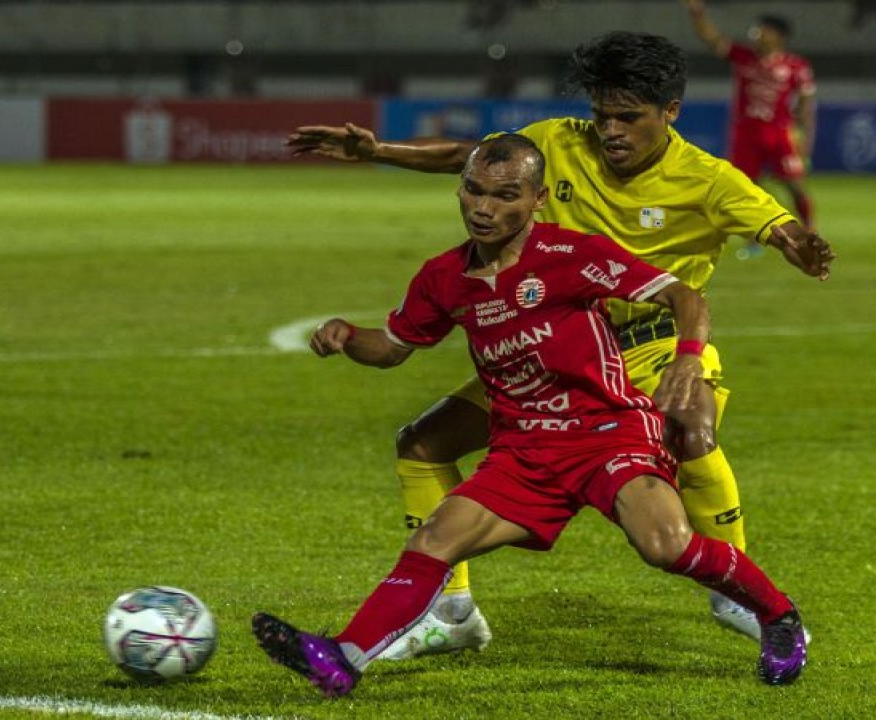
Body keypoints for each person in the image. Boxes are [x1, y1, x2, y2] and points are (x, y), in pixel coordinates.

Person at [286, 30, 833, 659]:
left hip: (653, 344)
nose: (612, 131)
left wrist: (799, 243)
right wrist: (378, 150)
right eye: (603, 116)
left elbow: (778, 227)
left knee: (692, 428)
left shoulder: (709, 180)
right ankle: (452, 613)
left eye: (629, 117)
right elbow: (471, 157)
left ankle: (735, 592)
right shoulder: (558, 141)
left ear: (670, 112)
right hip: (548, 355)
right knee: (422, 444)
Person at [684, 0, 818, 233]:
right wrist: (698, 14)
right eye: (757, 30)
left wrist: (807, 137)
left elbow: (806, 104)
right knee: (745, 187)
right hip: (746, 131)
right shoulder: (743, 56)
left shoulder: (796, 66)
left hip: (779, 132)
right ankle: (754, 238)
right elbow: (712, 39)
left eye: (764, 31)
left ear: (779, 36)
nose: (758, 35)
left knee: (794, 184)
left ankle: (810, 231)